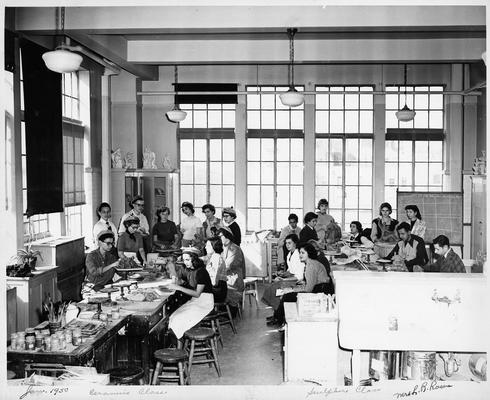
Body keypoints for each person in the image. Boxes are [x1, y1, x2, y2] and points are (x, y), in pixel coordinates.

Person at [267, 242, 331, 328]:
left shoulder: (311, 265)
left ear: (309, 253)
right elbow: (311, 283)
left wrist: (292, 289)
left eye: (303, 253)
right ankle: (278, 318)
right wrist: (295, 287)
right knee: (286, 292)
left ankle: (279, 320)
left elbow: (308, 289)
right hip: (319, 290)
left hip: (319, 293)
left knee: (287, 296)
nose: (300, 255)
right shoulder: (312, 263)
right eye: (300, 253)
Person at [166, 247, 214, 345]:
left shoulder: (201, 272)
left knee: (179, 319)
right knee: (173, 317)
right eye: (184, 260)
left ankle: (180, 348)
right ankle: (179, 346)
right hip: (195, 301)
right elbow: (179, 279)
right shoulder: (187, 269)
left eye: (188, 260)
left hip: (204, 302)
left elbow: (197, 293)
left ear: (194, 259)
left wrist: (178, 288)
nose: (186, 262)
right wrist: (173, 273)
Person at [262, 234, 303, 318]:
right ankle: (276, 313)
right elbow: (290, 270)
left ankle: (278, 315)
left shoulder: (298, 255)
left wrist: (284, 280)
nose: (287, 245)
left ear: (295, 243)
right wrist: (282, 274)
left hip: (297, 280)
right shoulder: (289, 254)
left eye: (289, 243)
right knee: (271, 287)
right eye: (286, 243)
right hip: (291, 278)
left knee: (276, 289)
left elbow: (299, 276)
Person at [218, 227, 245, 309]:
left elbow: (227, 266)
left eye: (221, 236)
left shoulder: (234, 249)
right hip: (226, 279)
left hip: (233, 281)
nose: (219, 238)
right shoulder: (223, 248)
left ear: (227, 236)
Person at [202, 237, 228, 302]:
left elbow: (214, 282)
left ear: (214, 246)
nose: (205, 247)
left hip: (218, 291)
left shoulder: (216, 257)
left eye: (208, 246)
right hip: (218, 288)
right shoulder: (215, 257)